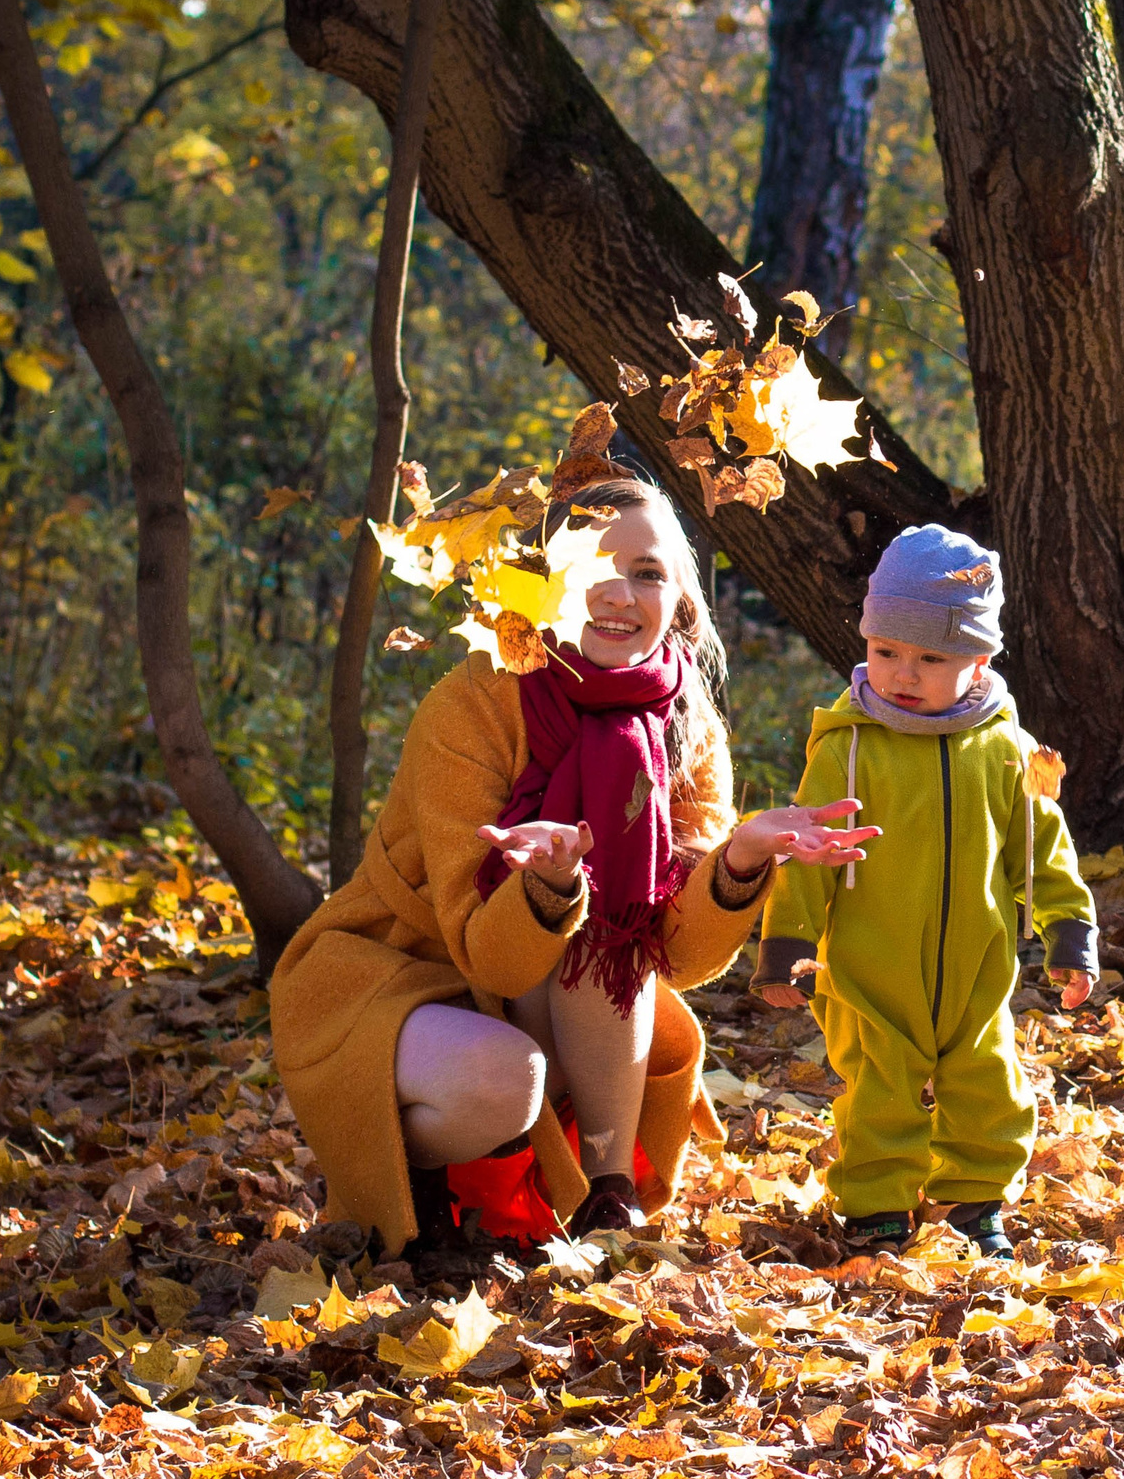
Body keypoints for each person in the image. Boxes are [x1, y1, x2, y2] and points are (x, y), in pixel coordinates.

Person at [268, 479, 875, 1252]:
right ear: (545, 582)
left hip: (553, 1003)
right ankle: (420, 1186)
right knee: (504, 1080)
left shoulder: (688, 724)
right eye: (592, 566)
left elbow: (675, 960)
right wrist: (546, 886)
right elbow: (479, 949)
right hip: (395, 972)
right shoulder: (475, 700)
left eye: (649, 573)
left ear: (681, 600)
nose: (620, 595)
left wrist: (738, 862)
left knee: (609, 929)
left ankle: (606, 1197)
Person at [750, 525, 1096, 1257]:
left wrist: (1069, 929)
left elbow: (1042, 845)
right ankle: (875, 1206)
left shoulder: (1005, 748)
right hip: (872, 971)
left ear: (979, 660)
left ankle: (974, 1202)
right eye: (886, 653)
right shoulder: (848, 748)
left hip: (977, 965)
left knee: (988, 1084)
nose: (903, 673)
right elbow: (808, 850)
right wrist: (787, 945)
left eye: (930, 658)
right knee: (881, 1088)